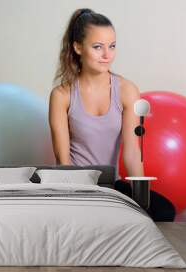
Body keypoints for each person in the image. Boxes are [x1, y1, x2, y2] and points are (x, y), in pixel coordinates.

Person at [49, 8, 175, 221]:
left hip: (110, 184)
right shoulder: (61, 95)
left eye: (112, 46)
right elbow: (63, 160)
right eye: (98, 47)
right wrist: (83, 194)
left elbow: (132, 152)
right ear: (78, 47)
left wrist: (140, 198)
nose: (107, 55)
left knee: (163, 210)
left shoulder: (127, 90)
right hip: (74, 185)